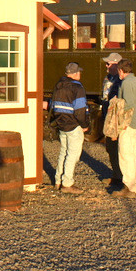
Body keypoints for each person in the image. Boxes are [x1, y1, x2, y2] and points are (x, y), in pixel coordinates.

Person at [50, 62, 90, 194]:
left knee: (63, 152)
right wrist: (84, 125)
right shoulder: (77, 88)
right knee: (72, 155)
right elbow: (80, 110)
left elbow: (53, 105)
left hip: (61, 124)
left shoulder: (58, 85)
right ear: (76, 73)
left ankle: (58, 180)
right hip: (73, 125)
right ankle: (67, 183)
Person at [111, 58, 136, 199]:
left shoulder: (126, 83)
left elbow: (128, 105)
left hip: (128, 124)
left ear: (121, 70)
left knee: (125, 155)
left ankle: (129, 186)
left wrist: (121, 124)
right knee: (135, 154)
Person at [101, 52, 124, 190]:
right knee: (110, 148)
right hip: (107, 118)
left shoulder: (120, 81)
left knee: (117, 149)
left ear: (116, 65)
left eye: (108, 63)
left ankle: (121, 177)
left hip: (115, 120)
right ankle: (116, 174)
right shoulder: (108, 78)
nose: (106, 66)